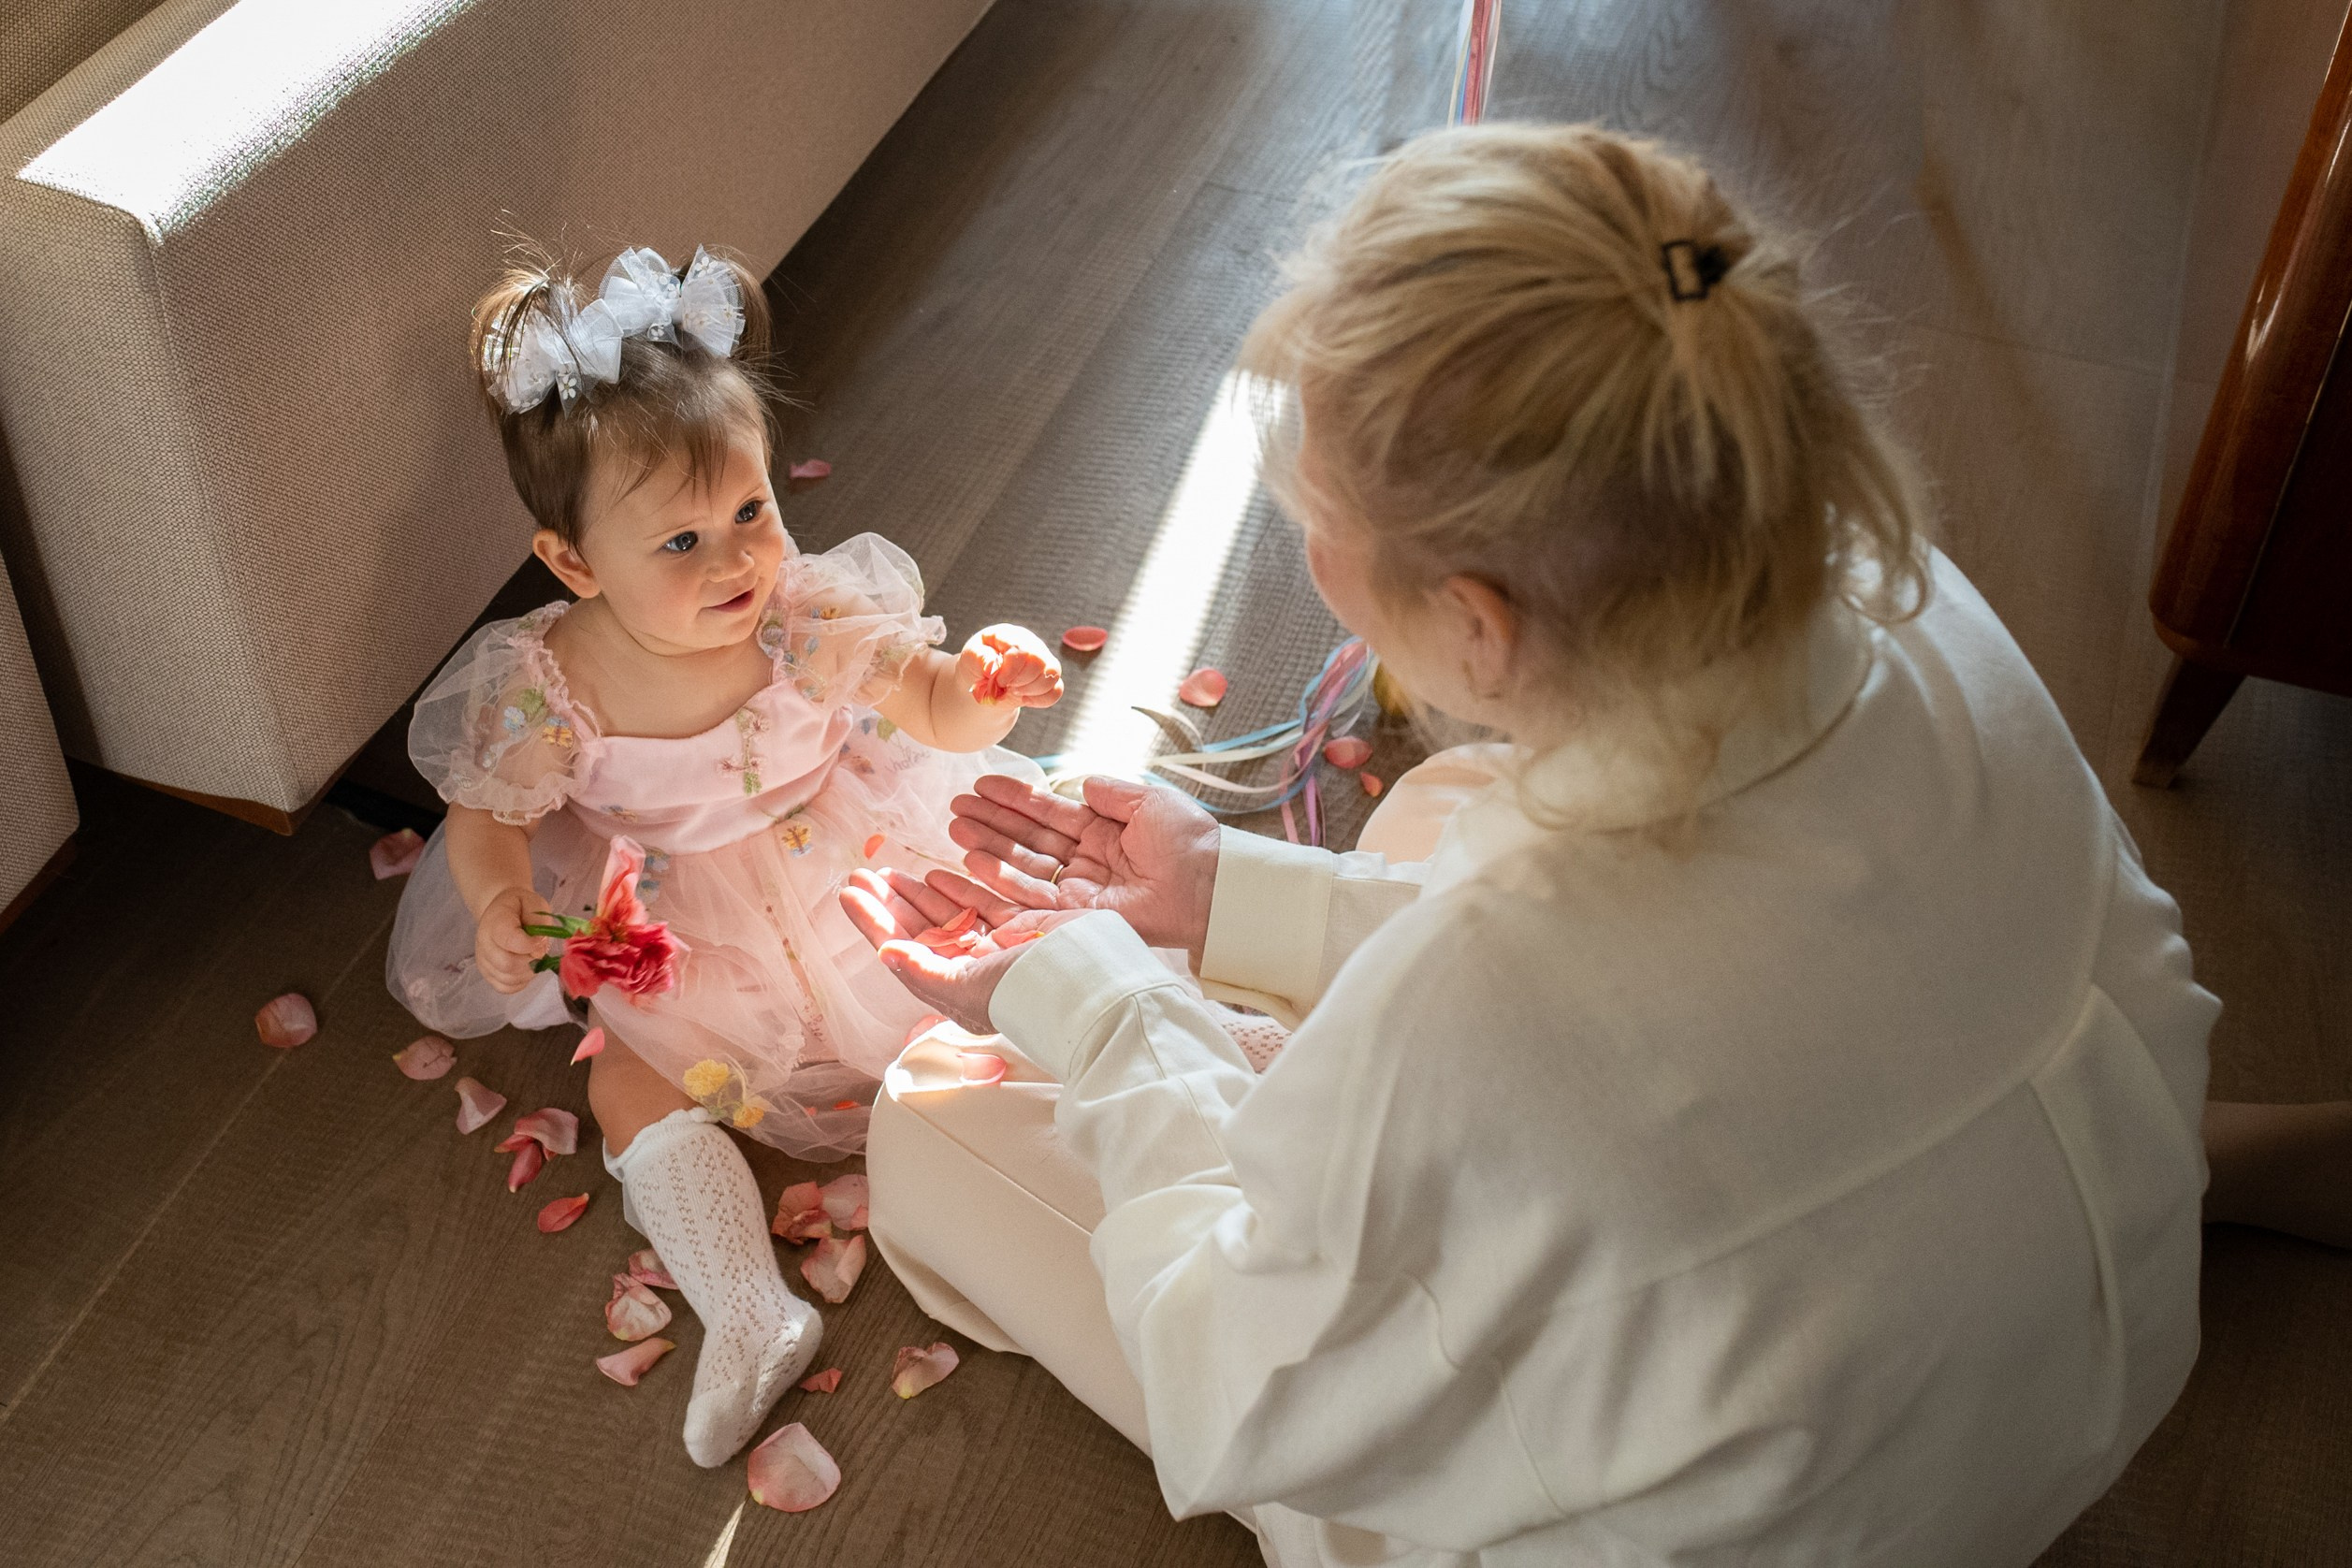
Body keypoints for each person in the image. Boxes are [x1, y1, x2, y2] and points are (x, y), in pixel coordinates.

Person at [838, 123, 2220, 1565]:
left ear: (1477, 625)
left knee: (935, 1115)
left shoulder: (1482, 993)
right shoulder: (1902, 590)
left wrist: (1104, 1002)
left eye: (1316, 524)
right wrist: (1220, 891)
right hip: (2072, 1353)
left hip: (1797, 1517)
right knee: (1436, 815)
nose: (1308, 556)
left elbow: (1229, 1389)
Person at [385, 244, 1063, 1466]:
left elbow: (920, 698)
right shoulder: (553, 681)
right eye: (681, 544)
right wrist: (493, 898)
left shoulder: (799, 616)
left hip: (851, 864)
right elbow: (492, 814)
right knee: (623, 1084)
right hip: (683, 918)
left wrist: (984, 689)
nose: (740, 559)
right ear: (575, 564)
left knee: (969, 981)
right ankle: (748, 1308)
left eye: (751, 510)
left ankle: (1138, 1090)